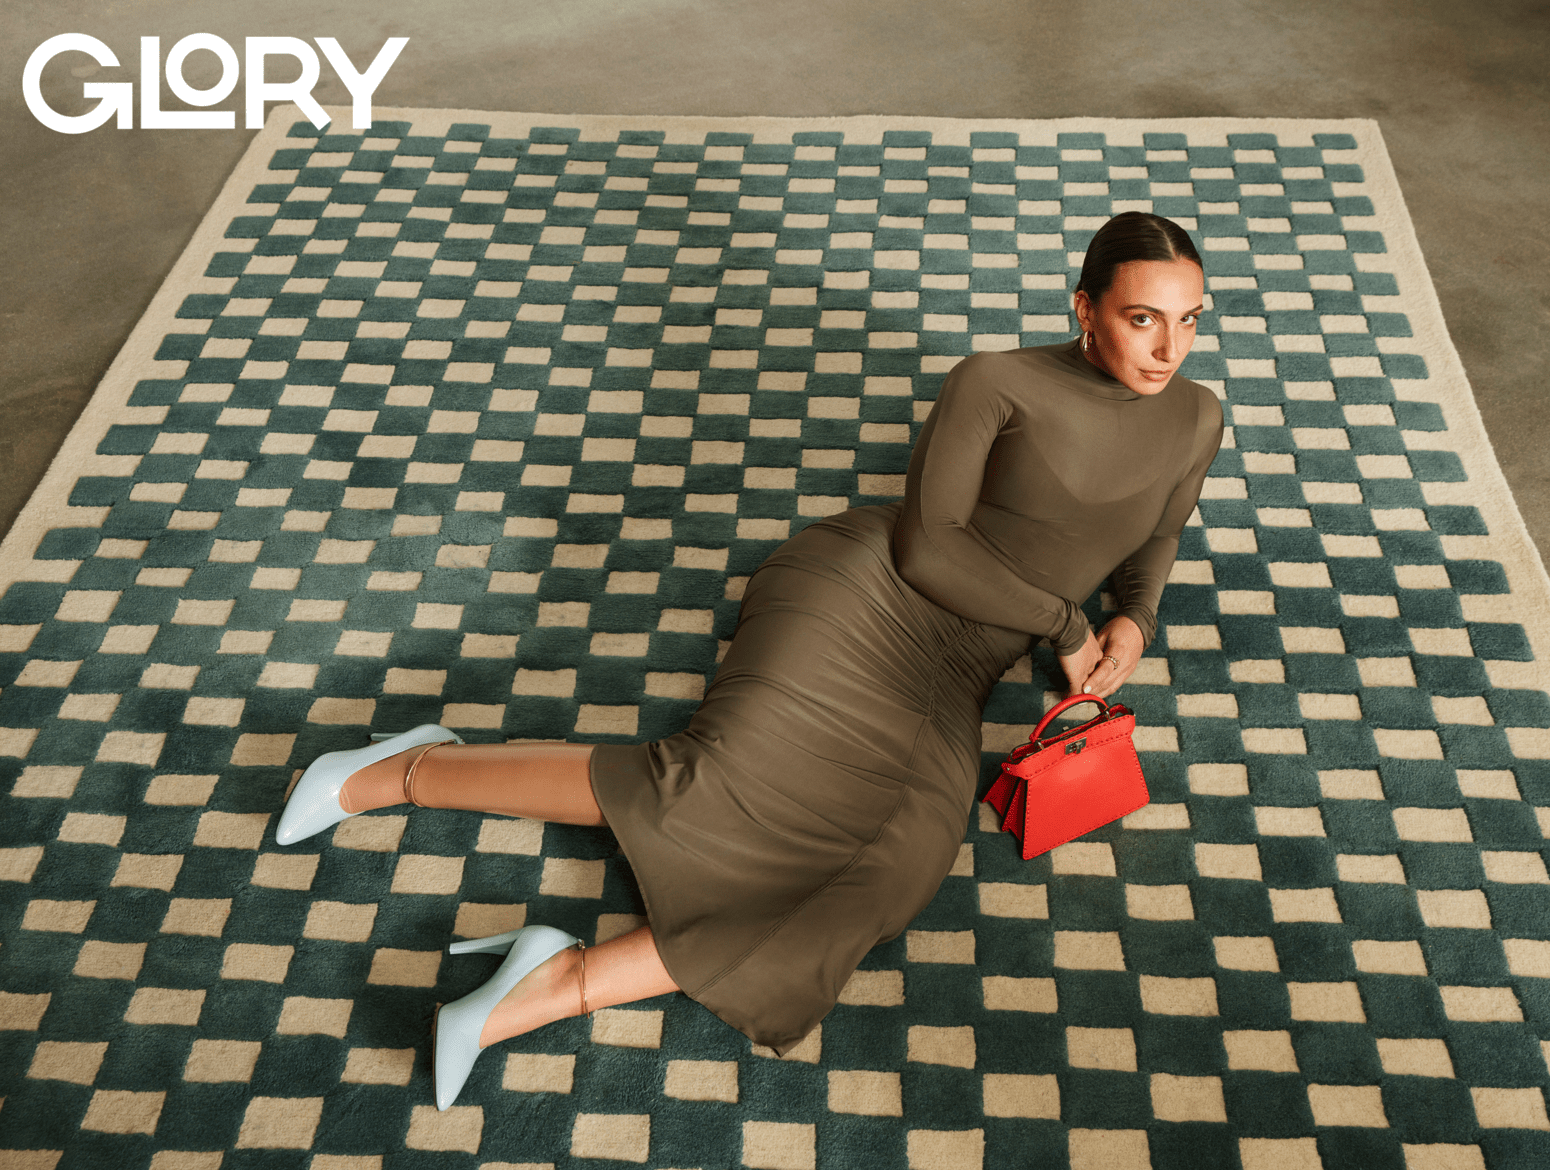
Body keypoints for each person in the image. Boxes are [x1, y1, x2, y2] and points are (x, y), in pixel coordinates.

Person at [276, 211, 1224, 1111]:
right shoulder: (995, 381)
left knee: (890, 871)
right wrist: (1063, 626)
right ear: (1083, 307)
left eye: (1186, 323)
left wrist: (1133, 621)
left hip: (960, 671)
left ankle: (557, 976)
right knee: (712, 780)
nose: (1165, 349)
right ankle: (396, 773)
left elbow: (1153, 544)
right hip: (867, 597)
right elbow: (926, 548)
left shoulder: (1195, 419)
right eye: (1141, 319)